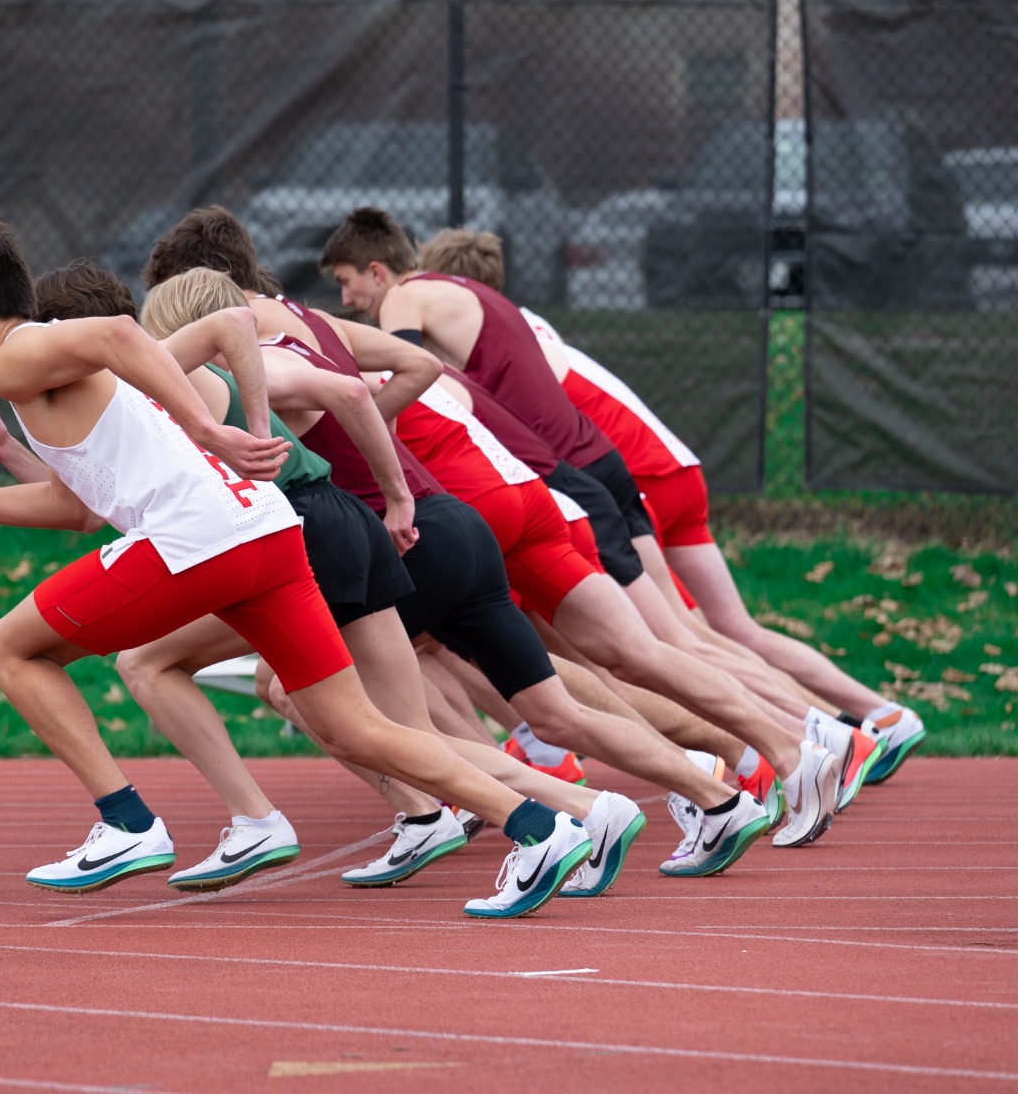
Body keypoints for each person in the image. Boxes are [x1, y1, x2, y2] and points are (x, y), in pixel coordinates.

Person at [0, 226, 593, 918]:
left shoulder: (14, 357)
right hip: (268, 532)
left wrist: (216, 428)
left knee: (8, 647)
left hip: (201, 540)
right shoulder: (53, 377)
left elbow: (121, 332)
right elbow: (77, 504)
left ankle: (128, 823)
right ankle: (539, 827)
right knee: (358, 727)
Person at [137, 266, 767, 880]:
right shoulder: (319, 326)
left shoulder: (263, 368)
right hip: (454, 524)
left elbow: (353, 394)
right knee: (553, 713)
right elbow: (416, 369)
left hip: (401, 536)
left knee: (316, 700)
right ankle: (718, 800)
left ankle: (491, 812)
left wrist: (393, 494)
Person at [418, 226, 916, 797]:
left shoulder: (477, 349)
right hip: (646, 468)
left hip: (618, 478)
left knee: (658, 647)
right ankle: (862, 719)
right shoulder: (519, 325)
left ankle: (810, 738)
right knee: (712, 634)